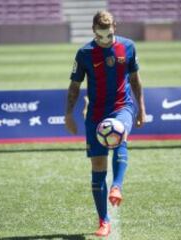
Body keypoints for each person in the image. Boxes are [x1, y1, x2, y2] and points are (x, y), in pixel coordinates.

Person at [65, 10, 146, 237]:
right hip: (96, 113)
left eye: (109, 35)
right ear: (94, 32)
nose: (105, 40)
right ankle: (104, 221)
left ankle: (117, 185)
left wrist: (142, 108)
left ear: (114, 29)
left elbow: (136, 80)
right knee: (98, 167)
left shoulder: (128, 47)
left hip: (123, 107)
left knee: (118, 132)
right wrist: (68, 114)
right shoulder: (84, 54)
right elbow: (74, 87)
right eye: (101, 36)